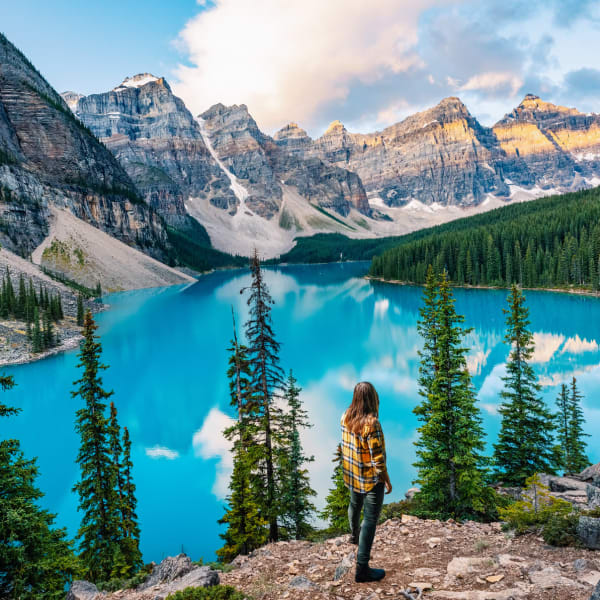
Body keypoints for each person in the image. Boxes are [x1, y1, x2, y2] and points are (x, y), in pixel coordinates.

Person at [340, 381, 392, 583]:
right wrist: (386, 479)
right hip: (370, 479)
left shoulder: (345, 416)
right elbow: (377, 458)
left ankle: (354, 535)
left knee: (354, 505)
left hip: (352, 475)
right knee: (370, 520)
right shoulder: (372, 424)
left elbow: (344, 445)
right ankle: (362, 569)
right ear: (372, 399)